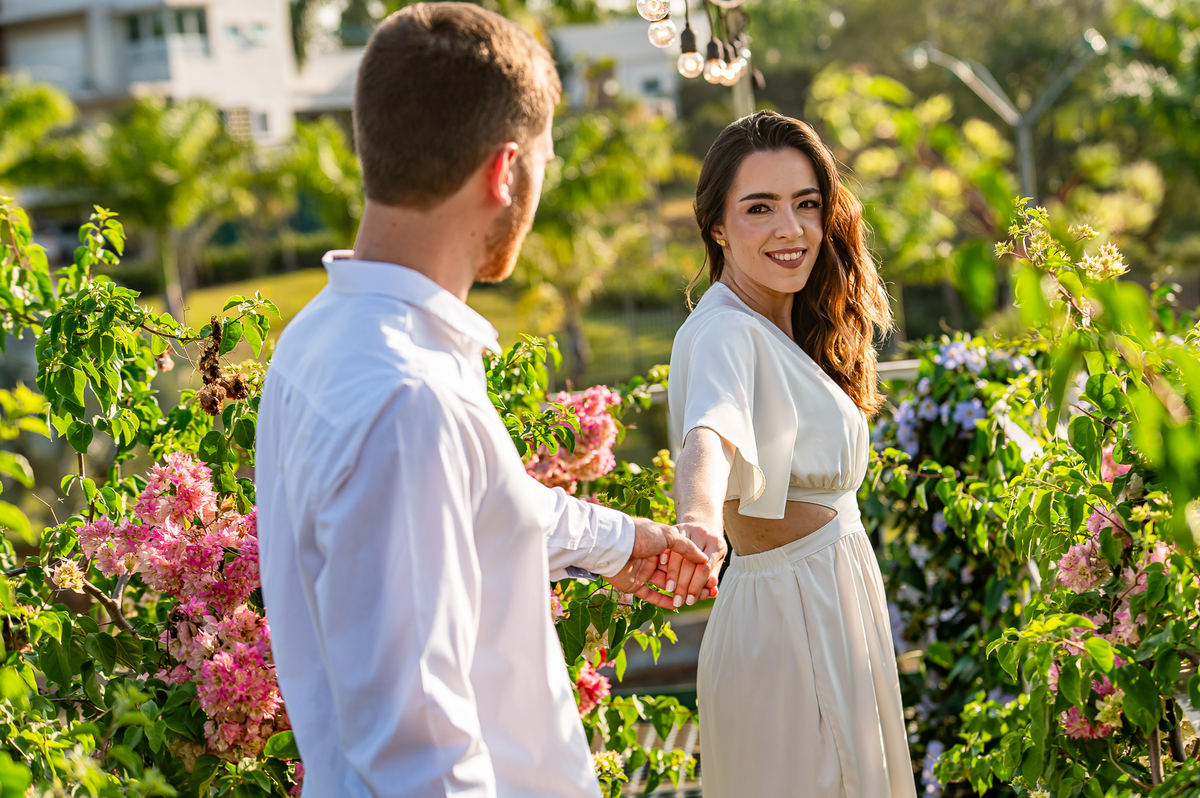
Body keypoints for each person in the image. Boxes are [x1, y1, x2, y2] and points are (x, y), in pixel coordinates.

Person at [255, 5, 716, 796]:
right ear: (506, 171)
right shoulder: (409, 402)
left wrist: (620, 542)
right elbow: (421, 757)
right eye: (543, 162)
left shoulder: (320, 341)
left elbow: (479, 508)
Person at [666, 111, 917, 797]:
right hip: (790, 615)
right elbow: (710, 434)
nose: (792, 229)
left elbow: (761, 456)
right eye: (760, 208)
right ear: (717, 226)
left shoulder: (781, 328)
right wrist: (697, 522)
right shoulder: (725, 332)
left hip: (828, 601)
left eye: (806, 204)